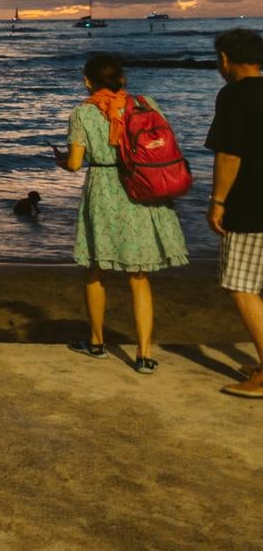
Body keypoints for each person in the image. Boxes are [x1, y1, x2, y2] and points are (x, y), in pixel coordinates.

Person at [55, 54, 188, 372]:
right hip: (141, 185)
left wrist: (61, 159)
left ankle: (97, 342)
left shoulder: (82, 112)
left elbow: (75, 164)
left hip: (104, 190)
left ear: (88, 81)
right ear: (121, 79)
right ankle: (144, 355)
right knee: (138, 276)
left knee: (95, 270)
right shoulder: (145, 103)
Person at [205, 27, 263, 399]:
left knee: (240, 286)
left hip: (250, 205)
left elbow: (229, 154)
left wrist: (218, 201)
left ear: (225, 58)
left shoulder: (234, 96)